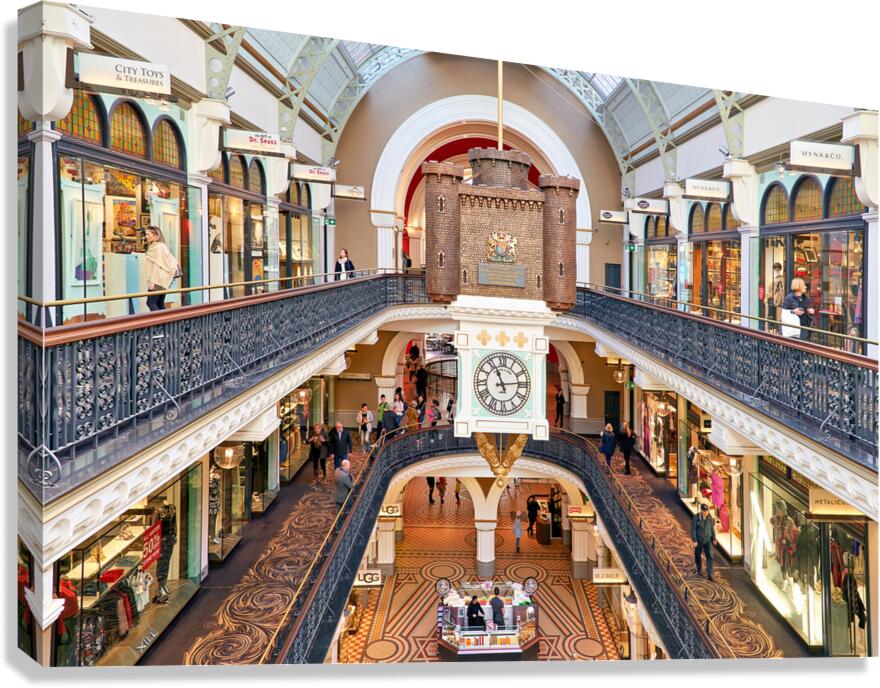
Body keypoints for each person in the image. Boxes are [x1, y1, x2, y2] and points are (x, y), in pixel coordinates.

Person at [144, 226, 178, 311]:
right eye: (146, 234)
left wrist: (152, 281)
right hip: (164, 280)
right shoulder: (162, 246)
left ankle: (159, 319)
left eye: (148, 234)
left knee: (151, 303)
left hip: (157, 280)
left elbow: (158, 265)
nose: (146, 236)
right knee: (159, 303)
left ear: (156, 235)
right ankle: (166, 319)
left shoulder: (156, 248)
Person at [781, 277, 815, 341]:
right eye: (803, 285)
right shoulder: (789, 298)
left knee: (804, 344)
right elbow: (784, 313)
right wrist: (793, 312)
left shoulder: (805, 297)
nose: (805, 287)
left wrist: (811, 310)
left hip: (805, 327)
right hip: (794, 329)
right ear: (799, 286)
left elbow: (809, 308)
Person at [691, 503, 718, 581]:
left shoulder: (710, 518)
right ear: (701, 511)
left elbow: (712, 529)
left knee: (710, 556)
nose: (706, 512)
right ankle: (699, 569)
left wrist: (714, 538)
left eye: (707, 511)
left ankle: (710, 574)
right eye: (705, 511)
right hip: (699, 540)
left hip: (707, 540)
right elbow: (693, 529)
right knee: (698, 555)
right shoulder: (696, 518)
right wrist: (694, 540)